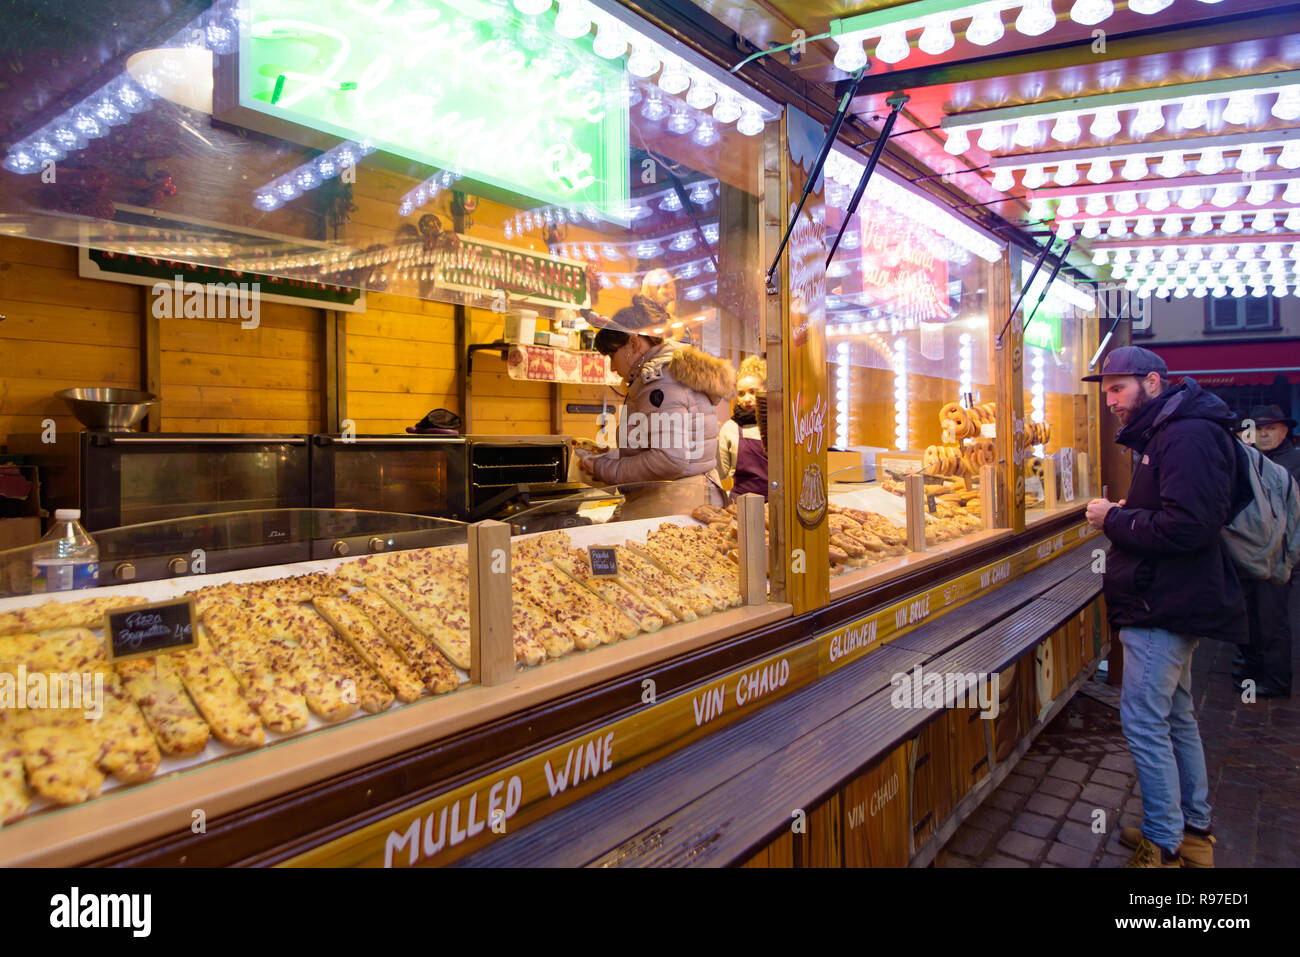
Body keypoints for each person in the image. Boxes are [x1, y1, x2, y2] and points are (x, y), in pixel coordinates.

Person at [1082, 346, 1246, 869]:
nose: (1109, 401)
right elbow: (1191, 511)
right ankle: (1193, 833)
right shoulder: (1179, 427)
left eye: (1117, 389)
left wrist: (1114, 519)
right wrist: (1139, 511)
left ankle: (1162, 845)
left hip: (1163, 601)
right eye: (1106, 390)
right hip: (1174, 595)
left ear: (1153, 381)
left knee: (1145, 722)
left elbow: (1191, 526)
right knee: (1176, 717)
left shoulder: (1186, 434)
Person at [579, 295, 732, 521]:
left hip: (676, 505)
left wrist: (604, 469)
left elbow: (669, 458)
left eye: (612, 355)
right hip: (687, 499)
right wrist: (611, 458)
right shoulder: (666, 375)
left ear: (633, 343)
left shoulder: (660, 382)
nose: (612, 366)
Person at [1233, 405, 1299, 699]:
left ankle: (1276, 680)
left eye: (1271, 428)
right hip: (1251, 552)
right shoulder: (1253, 460)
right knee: (1252, 615)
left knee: (1272, 619)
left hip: (1279, 554)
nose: (1265, 434)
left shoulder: (1294, 463)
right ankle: (1253, 669)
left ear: (1285, 431)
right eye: (1259, 429)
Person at [718, 355, 768, 501]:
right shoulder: (730, 428)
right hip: (741, 505)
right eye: (741, 393)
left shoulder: (779, 425)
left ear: (766, 390)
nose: (747, 399)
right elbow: (721, 473)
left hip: (776, 504)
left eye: (753, 391)